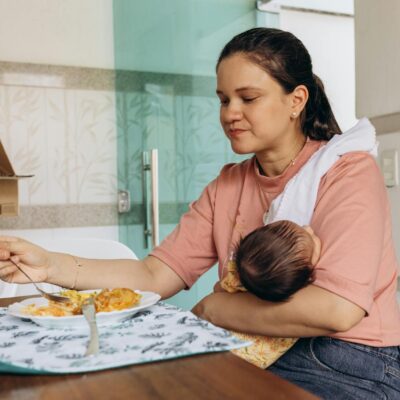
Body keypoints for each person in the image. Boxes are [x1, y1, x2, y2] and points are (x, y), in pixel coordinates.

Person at [0, 27, 399, 399]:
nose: (229, 113)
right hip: (253, 341)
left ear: (296, 100)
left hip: (353, 359)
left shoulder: (345, 171)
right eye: (224, 100)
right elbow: (154, 275)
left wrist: (215, 308)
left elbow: (336, 310)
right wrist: (48, 265)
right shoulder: (229, 184)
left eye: (248, 98)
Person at [219, 219, 321, 369]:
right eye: (310, 236)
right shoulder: (300, 293)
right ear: (308, 275)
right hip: (244, 363)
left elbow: (220, 288)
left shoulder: (241, 278)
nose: (309, 228)